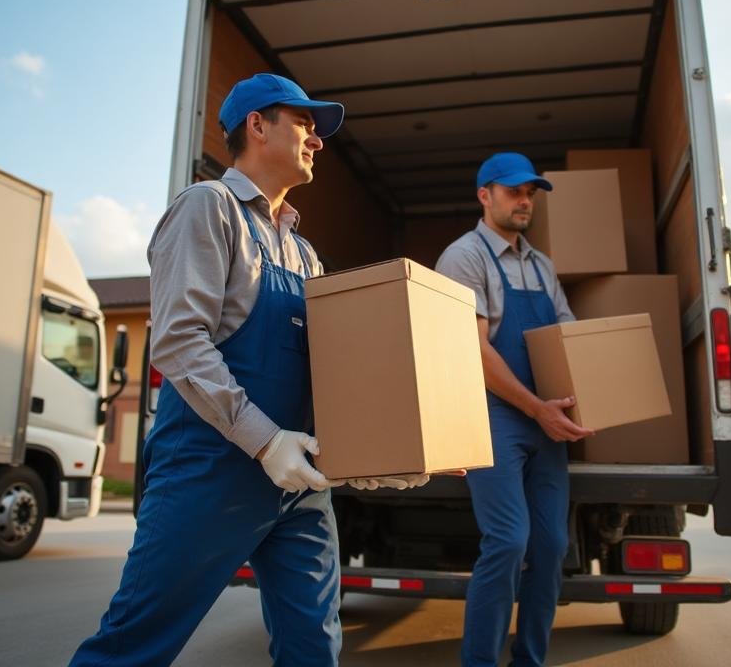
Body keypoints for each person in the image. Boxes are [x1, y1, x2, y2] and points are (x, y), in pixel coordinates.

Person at [70, 73, 422, 667]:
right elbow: (180, 343)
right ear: (257, 125)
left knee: (314, 644)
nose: (317, 140)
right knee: (134, 646)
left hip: (296, 481)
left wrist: (369, 457)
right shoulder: (208, 209)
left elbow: (327, 374)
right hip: (209, 472)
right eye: (305, 123)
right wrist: (265, 443)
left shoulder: (302, 250)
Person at [435, 152, 593, 667]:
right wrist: (536, 408)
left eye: (531, 192)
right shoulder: (464, 257)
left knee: (549, 547)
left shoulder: (541, 264)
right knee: (507, 540)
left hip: (546, 420)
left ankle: (530, 660)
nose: (525, 200)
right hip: (493, 416)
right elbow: (474, 351)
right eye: (513, 191)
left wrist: (580, 397)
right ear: (485, 195)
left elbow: (564, 337)